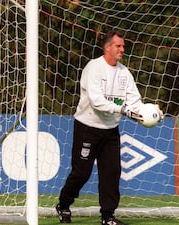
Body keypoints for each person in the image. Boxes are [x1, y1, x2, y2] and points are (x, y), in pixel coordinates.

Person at [56, 31, 162, 225]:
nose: (122, 49)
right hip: (88, 127)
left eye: (123, 46)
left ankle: (108, 216)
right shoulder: (94, 68)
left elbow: (135, 102)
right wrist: (124, 110)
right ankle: (63, 205)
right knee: (81, 173)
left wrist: (151, 113)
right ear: (107, 47)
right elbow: (97, 102)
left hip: (110, 130)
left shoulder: (124, 73)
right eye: (118, 46)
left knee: (112, 172)